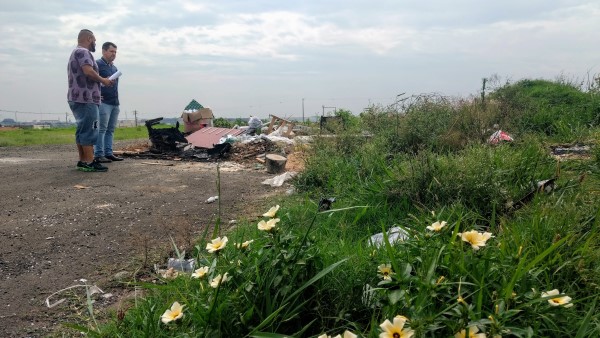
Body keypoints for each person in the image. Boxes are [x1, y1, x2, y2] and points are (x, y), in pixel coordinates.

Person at [67, 29, 113, 172]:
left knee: (82, 129)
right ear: (89, 38)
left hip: (78, 97)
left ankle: (83, 160)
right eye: (94, 40)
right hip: (86, 98)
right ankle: (89, 161)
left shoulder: (75, 52)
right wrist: (103, 80)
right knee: (90, 129)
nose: (95, 44)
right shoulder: (84, 52)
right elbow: (88, 71)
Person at [94, 41, 124, 163]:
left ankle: (108, 152)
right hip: (104, 102)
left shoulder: (114, 68)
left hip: (114, 102)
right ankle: (99, 154)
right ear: (104, 51)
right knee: (102, 129)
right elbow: (93, 81)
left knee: (110, 129)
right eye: (112, 51)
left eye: (115, 52)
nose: (114, 54)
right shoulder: (97, 65)